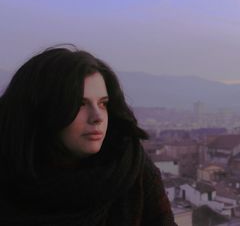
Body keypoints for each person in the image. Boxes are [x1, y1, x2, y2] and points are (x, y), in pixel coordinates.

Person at [0, 45, 177, 226]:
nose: (97, 118)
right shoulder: (8, 184)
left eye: (102, 104)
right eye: (79, 104)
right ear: (41, 111)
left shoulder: (130, 168)